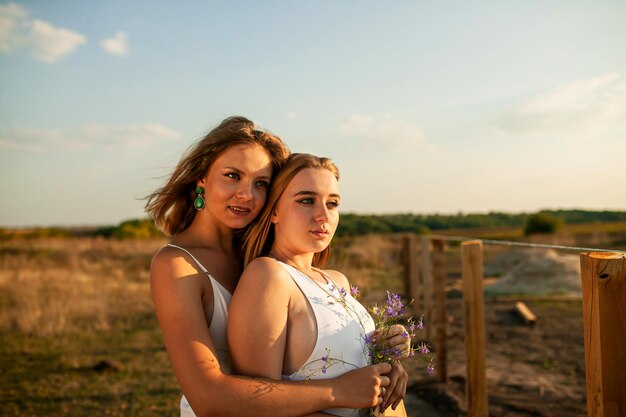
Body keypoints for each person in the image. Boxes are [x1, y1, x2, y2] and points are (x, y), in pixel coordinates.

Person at [146, 117, 394, 417]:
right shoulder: (177, 264)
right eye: (232, 176)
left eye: (260, 183)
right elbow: (207, 396)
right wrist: (338, 391)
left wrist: (385, 364)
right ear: (202, 178)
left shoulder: (261, 253)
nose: (247, 194)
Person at [229, 153, 410, 417]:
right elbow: (255, 406)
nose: (323, 215)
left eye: (332, 203)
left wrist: (389, 361)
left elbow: (352, 366)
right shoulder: (268, 276)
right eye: (306, 200)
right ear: (275, 211)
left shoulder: (337, 280)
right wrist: (338, 392)